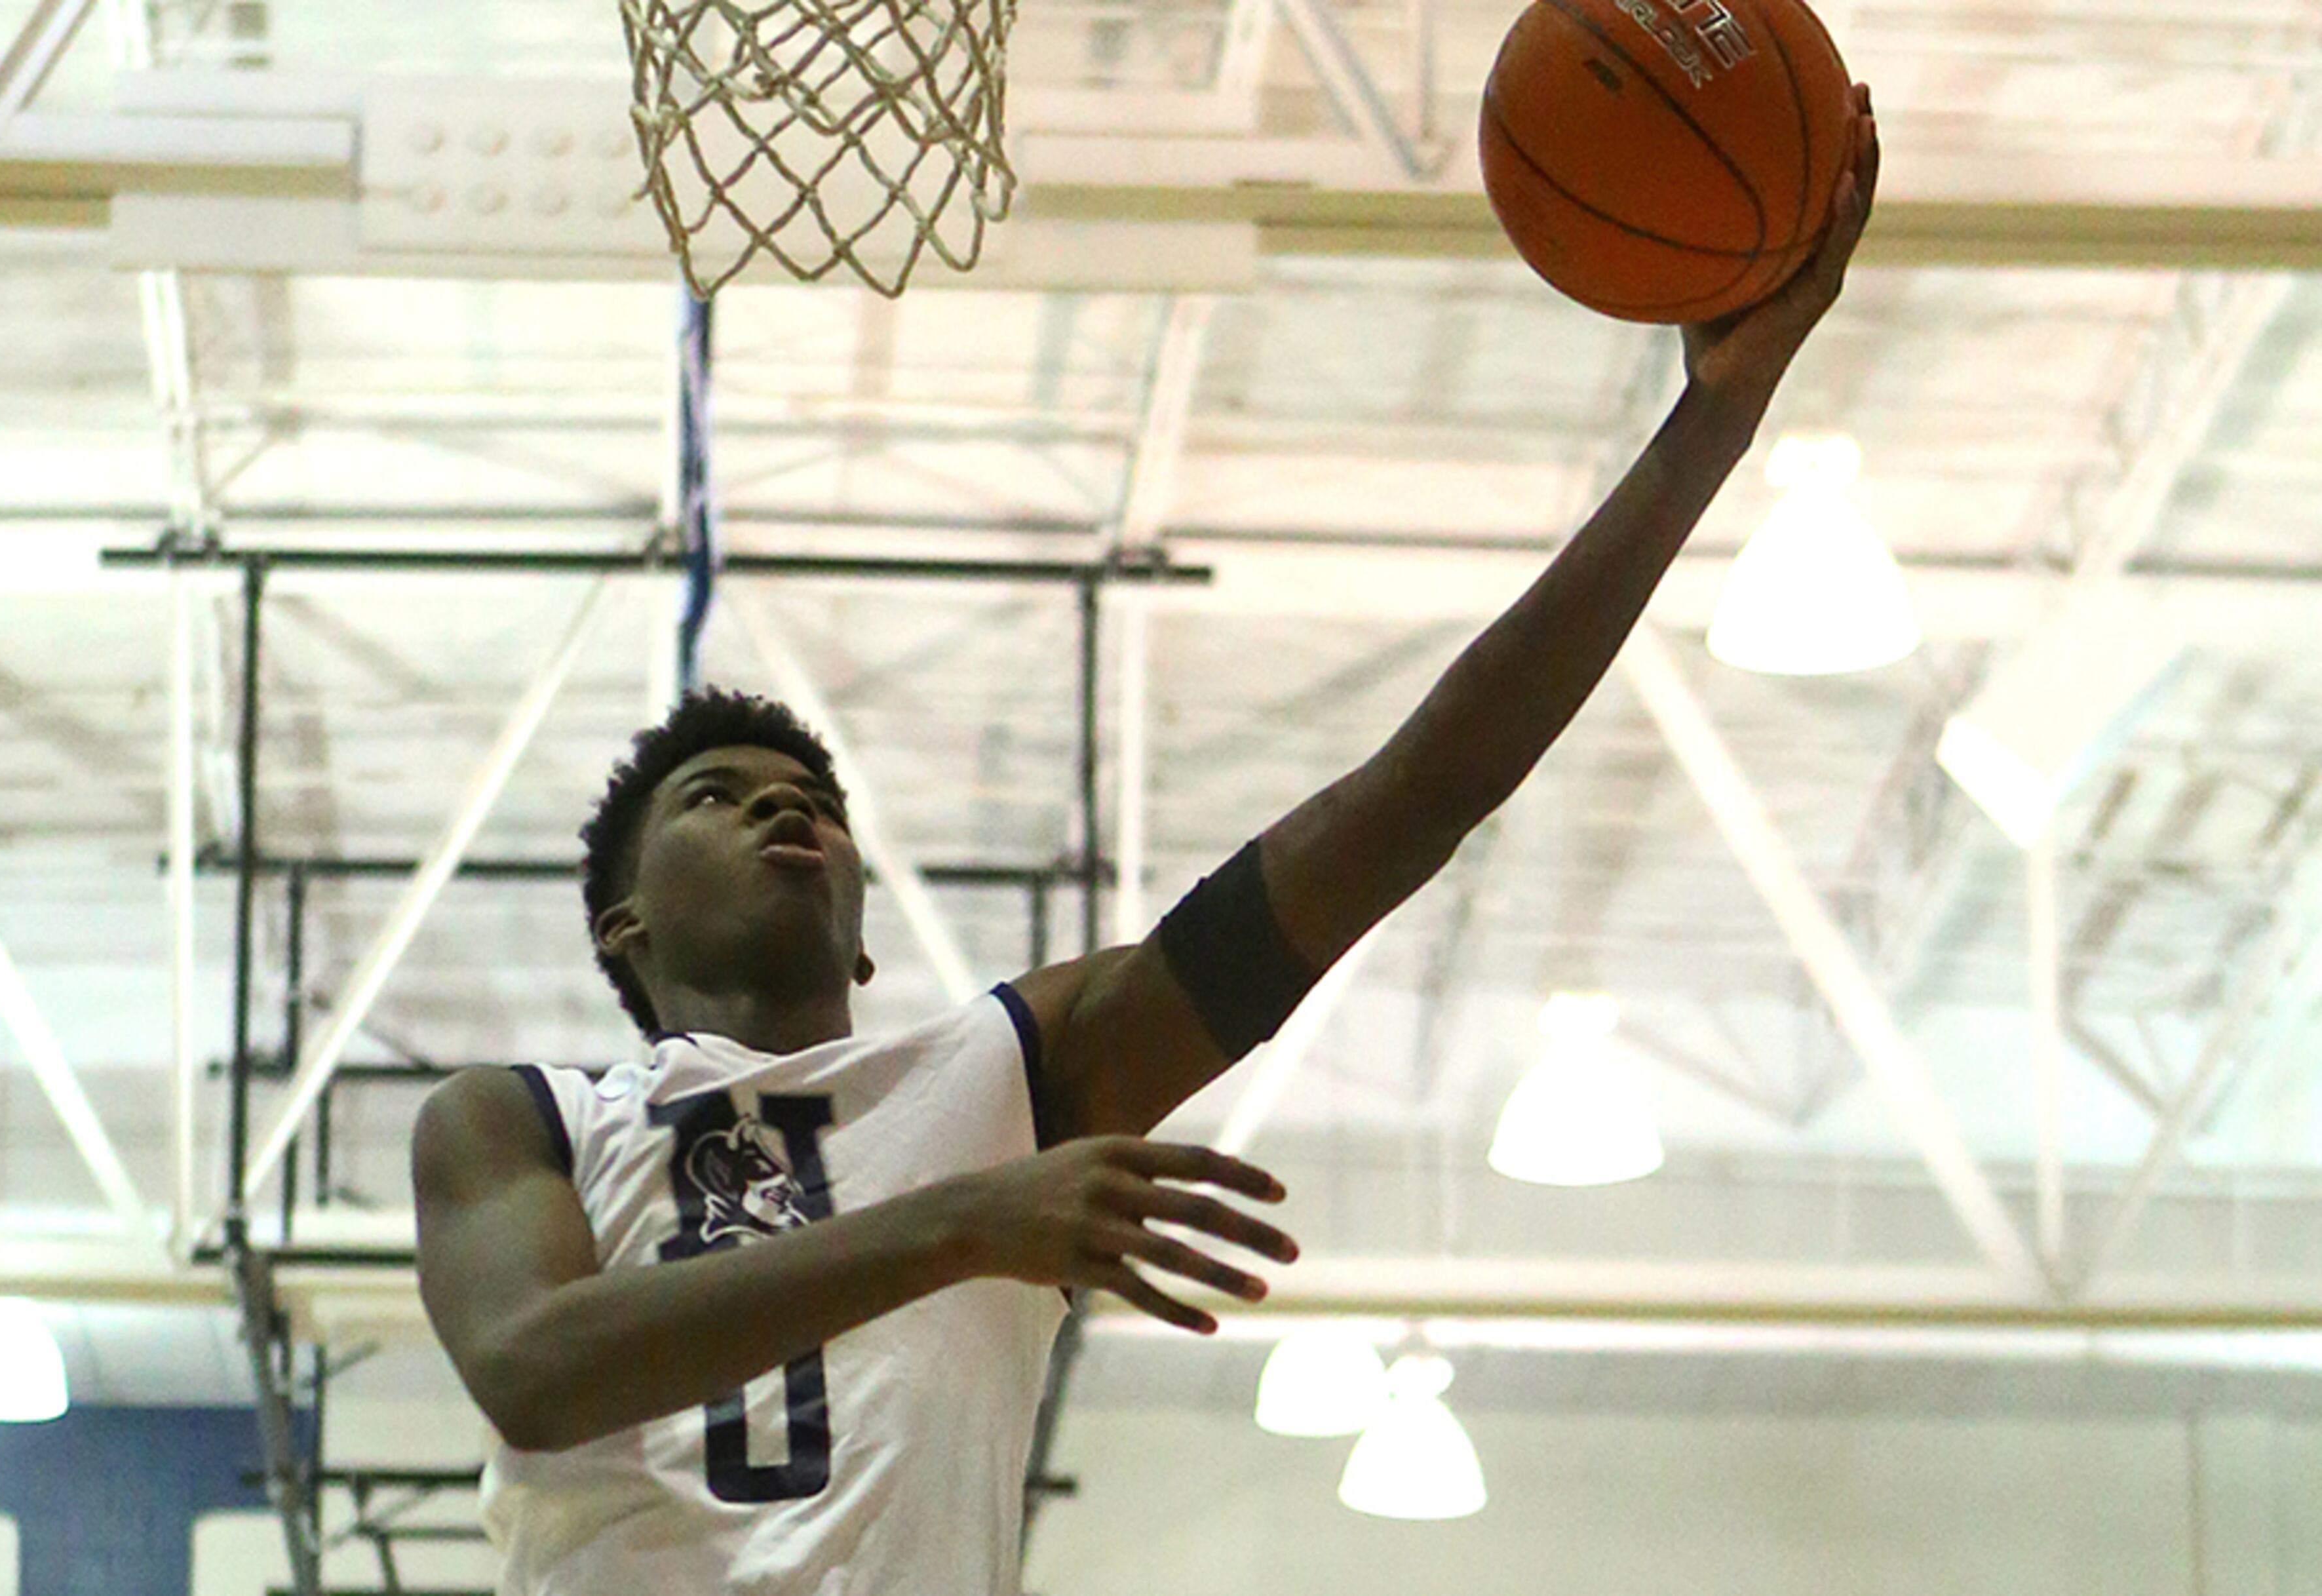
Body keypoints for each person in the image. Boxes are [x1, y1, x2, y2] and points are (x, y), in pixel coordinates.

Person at [412, 91, 1881, 1596]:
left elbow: (1420, 795)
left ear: (862, 930)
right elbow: (535, 1370)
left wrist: (1715, 419)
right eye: (714, 797)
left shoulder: (1006, 1078)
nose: (788, 808)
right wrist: (970, 1222)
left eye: (819, 802)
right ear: (624, 928)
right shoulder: (520, 1122)